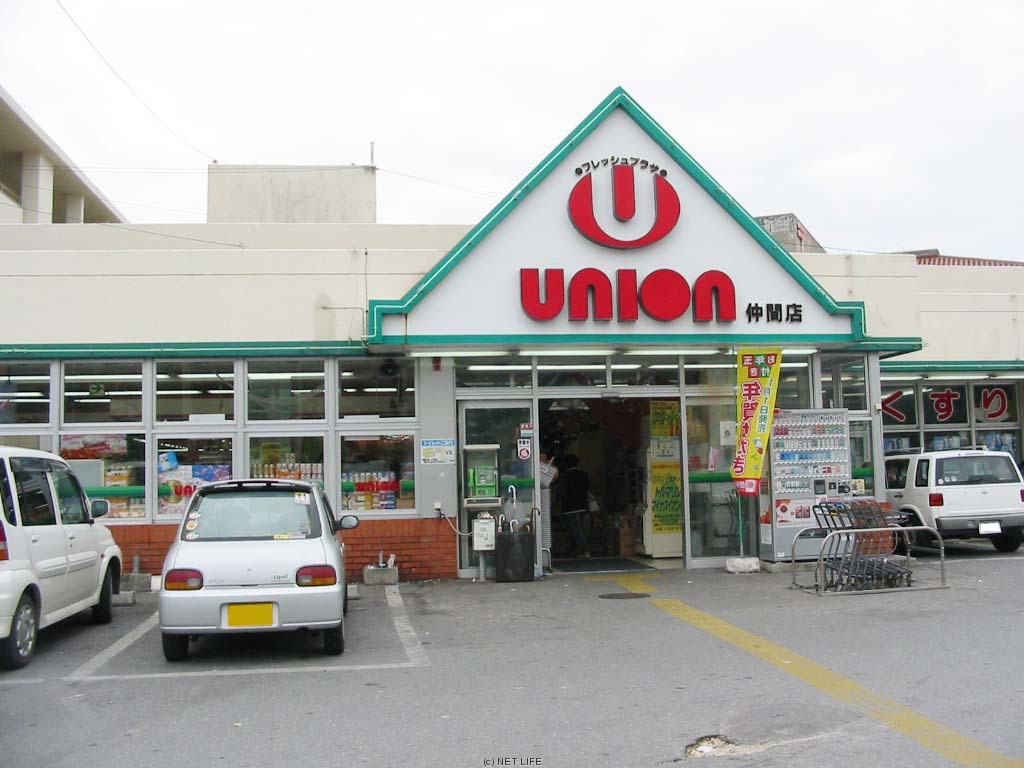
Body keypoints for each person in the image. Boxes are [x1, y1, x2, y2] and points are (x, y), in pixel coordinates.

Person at [555, 453, 590, 558]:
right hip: (582, 505)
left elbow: (560, 492)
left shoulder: (565, 477)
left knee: (575, 528)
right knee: (579, 528)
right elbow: (588, 490)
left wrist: (556, 503)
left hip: (570, 506)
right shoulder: (584, 475)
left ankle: (583, 548)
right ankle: (574, 548)